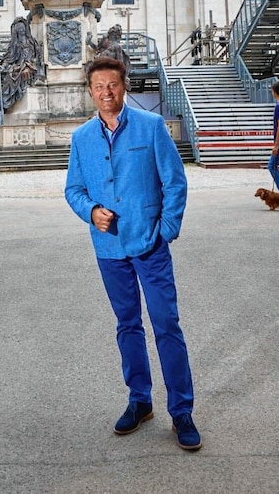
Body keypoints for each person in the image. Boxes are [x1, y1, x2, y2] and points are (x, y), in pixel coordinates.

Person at [65, 58, 201, 451]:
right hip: (109, 249)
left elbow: (175, 183)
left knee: (166, 326)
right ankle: (140, 400)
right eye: (98, 86)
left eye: (113, 84)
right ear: (90, 91)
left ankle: (181, 411)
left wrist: (167, 231)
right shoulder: (81, 138)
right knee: (127, 325)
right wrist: (90, 212)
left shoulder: (151, 126)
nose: (106, 91)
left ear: (125, 87)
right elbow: (74, 189)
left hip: (149, 244)